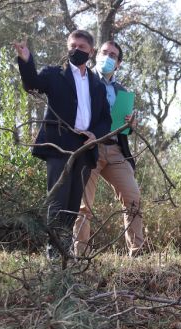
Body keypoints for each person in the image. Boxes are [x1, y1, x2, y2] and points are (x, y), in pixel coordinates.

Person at [13, 30, 111, 259]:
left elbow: (105, 118)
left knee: (73, 204)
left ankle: (64, 250)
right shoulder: (55, 74)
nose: (76, 50)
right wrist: (26, 59)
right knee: (57, 200)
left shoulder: (97, 84)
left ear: (91, 52)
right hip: (59, 144)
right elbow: (32, 85)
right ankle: (53, 253)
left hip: (85, 149)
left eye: (82, 47)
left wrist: (95, 135)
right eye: (73, 45)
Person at [73, 40, 144, 257]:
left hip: (115, 149)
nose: (107, 57)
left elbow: (125, 128)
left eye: (113, 55)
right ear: (96, 55)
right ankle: (79, 256)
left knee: (133, 199)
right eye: (104, 52)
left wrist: (130, 124)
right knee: (84, 206)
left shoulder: (122, 91)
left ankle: (137, 253)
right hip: (89, 148)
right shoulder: (85, 79)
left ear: (118, 63)